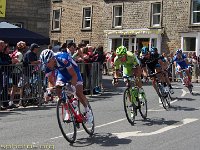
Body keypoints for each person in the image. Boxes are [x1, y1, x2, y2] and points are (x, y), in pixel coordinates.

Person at [40, 49, 93, 123]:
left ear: (53, 58)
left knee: (78, 92)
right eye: (45, 63)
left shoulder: (62, 59)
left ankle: (88, 110)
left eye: (48, 62)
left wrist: (72, 88)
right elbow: (51, 81)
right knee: (58, 89)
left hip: (74, 71)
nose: (47, 65)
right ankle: (68, 111)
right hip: (62, 73)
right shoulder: (47, 66)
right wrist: (49, 92)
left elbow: (74, 75)